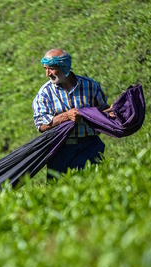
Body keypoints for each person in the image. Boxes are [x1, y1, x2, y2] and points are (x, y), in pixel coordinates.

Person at [32, 48, 114, 179]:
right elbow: (41, 125)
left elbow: (102, 112)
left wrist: (113, 111)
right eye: (45, 69)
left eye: (51, 68)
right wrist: (66, 116)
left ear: (64, 66)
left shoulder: (90, 86)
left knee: (95, 186)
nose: (47, 73)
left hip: (90, 146)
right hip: (61, 151)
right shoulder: (44, 94)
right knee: (61, 191)